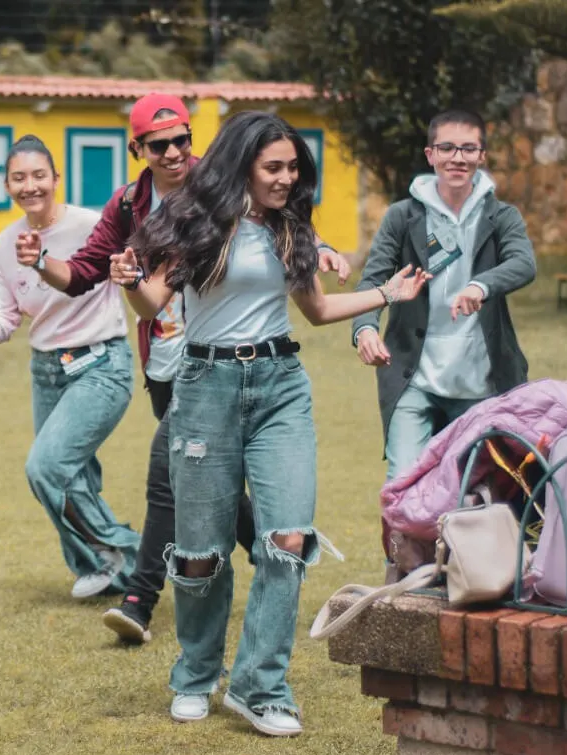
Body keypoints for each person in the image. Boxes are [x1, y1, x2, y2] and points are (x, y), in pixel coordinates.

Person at [112, 111, 428, 733]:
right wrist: (128, 285)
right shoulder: (196, 221)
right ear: (242, 166)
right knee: (201, 553)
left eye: (292, 168)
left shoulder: (290, 228)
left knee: (286, 539)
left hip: (281, 386)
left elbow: (314, 310)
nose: (286, 179)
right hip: (205, 387)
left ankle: (262, 686)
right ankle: (197, 675)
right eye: (273, 168)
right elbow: (154, 299)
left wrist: (387, 294)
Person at [18, 93, 350, 644]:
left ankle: (139, 599)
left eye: (182, 140)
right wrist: (38, 263)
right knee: (201, 481)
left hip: (226, 361)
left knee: (166, 476)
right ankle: (282, 555)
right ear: (137, 149)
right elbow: (82, 273)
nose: (174, 152)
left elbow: (277, 214)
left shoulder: (218, 182)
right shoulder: (127, 206)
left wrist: (323, 245)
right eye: (159, 144)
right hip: (166, 364)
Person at [0, 134, 139, 599]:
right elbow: (5, 314)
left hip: (102, 362)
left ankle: (135, 555)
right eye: (19, 178)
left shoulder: (93, 226)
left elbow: (136, 268)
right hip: (46, 370)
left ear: (56, 179)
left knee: (46, 466)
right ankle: (115, 573)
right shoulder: (5, 245)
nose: (30, 186)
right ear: (8, 185)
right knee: (74, 474)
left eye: (39, 175)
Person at [351, 109, 535, 489]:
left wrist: (479, 286)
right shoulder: (402, 216)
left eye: (469, 148)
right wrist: (365, 328)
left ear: (482, 156)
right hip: (412, 378)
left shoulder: (501, 217)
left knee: (478, 491)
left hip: (482, 383)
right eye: (447, 147)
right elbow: (373, 278)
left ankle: (462, 552)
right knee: (404, 486)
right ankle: (400, 553)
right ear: (430, 154)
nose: (458, 157)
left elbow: (524, 263)